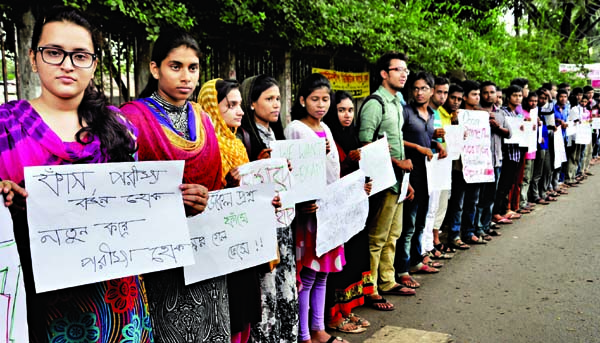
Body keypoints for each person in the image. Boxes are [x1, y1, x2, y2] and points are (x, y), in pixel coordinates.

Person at [0, 7, 151, 342]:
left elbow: (141, 207)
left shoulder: (120, 128)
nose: (67, 64)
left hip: (118, 304)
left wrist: (175, 201)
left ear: (94, 63)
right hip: (37, 302)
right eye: (54, 53)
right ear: (32, 58)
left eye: (80, 55)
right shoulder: (5, 127)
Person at [120, 30, 230, 342]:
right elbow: (121, 193)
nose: (186, 77)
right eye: (175, 66)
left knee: (212, 326)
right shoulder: (132, 119)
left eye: (192, 68)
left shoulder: (203, 117)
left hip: (206, 250)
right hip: (157, 257)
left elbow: (217, 183)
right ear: (155, 69)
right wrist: (169, 202)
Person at [198, 78, 266, 343]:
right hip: (221, 243)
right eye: (231, 105)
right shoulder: (205, 145)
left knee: (247, 311)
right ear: (212, 108)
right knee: (232, 313)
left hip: (244, 239)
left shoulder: (238, 142)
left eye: (240, 104)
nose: (240, 111)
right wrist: (230, 185)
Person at [238, 75, 299, 343]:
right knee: (267, 290)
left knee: (286, 284)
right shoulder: (246, 137)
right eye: (269, 99)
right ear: (251, 103)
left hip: (283, 222)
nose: (276, 105)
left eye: (278, 99)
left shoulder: (277, 134)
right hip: (263, 226)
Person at [286, 73, 346, 343]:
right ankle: (304, 334)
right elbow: (295, 170)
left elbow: (333, 169)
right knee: (308, 275)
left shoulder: (327, 128)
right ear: (302, 100)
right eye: (314, 99)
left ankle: (319, 328)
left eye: (325, 99)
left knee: (322, 273)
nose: (321, 105)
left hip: (329, 209)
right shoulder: (296, 128)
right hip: (309, 214)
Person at [357, 51, 415, 309]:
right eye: (398, 69)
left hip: (399, 180)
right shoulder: (375, 103)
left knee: (394, 233)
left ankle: (387, 280)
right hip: (382, 180)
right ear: (384, 73)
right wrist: (396, 164)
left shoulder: (396, 103)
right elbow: (365, 143)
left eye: (406, 70)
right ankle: (370, 289)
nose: (404, 74)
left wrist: (406, 177)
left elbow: (396, 141)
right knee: (377, 237)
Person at [323, 91, 372, 334]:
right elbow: (331, 174)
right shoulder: (328, 138)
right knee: (337, 263)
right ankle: (332, 315)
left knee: (353, 258)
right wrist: (347, 163)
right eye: (341, 110)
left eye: (350, 110)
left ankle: (346, 308)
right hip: (335, 210)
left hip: (354, 207)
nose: (346, 115)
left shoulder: (352, 136)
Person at [396, 71, 446, 283]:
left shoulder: (431, 115)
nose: (419, 92)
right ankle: (402, 269)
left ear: (431, 91)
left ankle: (416, 260)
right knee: (408, 224)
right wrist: (417, 146)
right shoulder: (405, 112)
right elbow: (396, 138)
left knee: (420, 222)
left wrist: (435, 142)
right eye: (415, 88)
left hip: (427, 175)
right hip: (409, 175)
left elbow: (424, 137)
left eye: (424, 88)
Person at [422, 77, 454, 261]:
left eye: (445, 92)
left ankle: (428, 246)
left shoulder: (437, 115)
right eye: (439, 91)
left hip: (439, 163)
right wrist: (434, 140)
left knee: (434, 207)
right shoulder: (425, 113)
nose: (442, 96)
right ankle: (422, 250)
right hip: (426, 164)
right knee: (425, 209)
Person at [474, 81, 510, 235]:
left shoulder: (500, 113)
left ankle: (486, 225)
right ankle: (477, 228)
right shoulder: (474, 113)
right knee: (479, 197)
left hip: (496, 160)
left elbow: (509, 133)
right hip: (479, 161)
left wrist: (498, 128)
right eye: (485, 92)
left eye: (492, 92)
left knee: (490, 196)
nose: (489, 95)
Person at [493, 85, 524, 223]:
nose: (518, 98)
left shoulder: (516, 113)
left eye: (520, 95)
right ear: (508, 97)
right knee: (503, 184)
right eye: (515, 95)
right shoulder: (503, 112)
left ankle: (504, 209)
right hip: (506, 153)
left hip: (516, 152)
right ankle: (497, 212)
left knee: (509, 183)